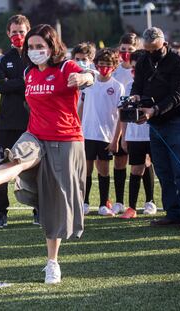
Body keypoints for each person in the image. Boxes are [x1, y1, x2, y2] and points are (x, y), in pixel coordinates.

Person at [0, 24, 94, 283]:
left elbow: (89, 75)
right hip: (35, 134)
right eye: (32, 47)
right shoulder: (28, 72)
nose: (36, 51)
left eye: (41, 46)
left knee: (54, 206)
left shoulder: (65, 67)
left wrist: (83, 78)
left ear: (52, 47)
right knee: (18, 156)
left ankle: (53, 263)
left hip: (65, 140)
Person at [131, 27, 180, 230]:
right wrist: (135, 97)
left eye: (155, 49)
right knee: (163, 171)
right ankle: (173, 213)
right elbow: (138, 84)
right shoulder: (144, 59)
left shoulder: (179, 60)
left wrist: (155, 110)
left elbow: (179, 94)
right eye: (147, 49)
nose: (151, 53)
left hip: (179, 120)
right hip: (156, 124)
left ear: (164, 43)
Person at [0, 15, 35, 229]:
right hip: (7, 124)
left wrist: (13, 83)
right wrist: (24, 82)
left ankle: (39, 210)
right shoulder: (0, 60)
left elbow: (16, 84)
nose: (18, 35)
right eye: (14, 32)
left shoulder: (36, 57)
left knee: (35, 168)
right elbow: (0, 86)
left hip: (33, 123)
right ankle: (0, 213)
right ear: (8, 34)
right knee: (1, 167)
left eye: (22, 31)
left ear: (28, 32)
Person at [78, 48, 124, 217]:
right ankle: (84, 203)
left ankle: (103, 205)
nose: (104, 67)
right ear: (95, 65)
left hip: (106, 135)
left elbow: (120, 115)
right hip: (86, 133)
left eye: (108, 65)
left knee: (103, 170)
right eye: (101, 64)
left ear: (114, 66)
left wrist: (116, 139)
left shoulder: (117, 87)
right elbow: (81, 107)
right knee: (86, 170)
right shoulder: (88, 83)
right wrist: (77, 128)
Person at [120, 50, 157, 219]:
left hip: (153, 134)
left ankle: (151, 201)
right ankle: (132, 208)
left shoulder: (156, 86)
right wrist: (124, 136)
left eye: (138, 68)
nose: (134, 72)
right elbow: (124, 115)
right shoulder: (129, 87)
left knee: (151, 165)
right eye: (133, 68)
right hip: (134, 136)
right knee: (136, 169)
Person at [111, 33, 141, 215]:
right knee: (119, 162)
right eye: (123, 49)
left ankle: (147, 201)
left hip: (138, 125)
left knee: (142, 163)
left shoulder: (141, 70)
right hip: (117, 123)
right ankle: (119, 201)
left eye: (130, 50)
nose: (126, 53)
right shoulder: (115, 70)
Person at [71, 42, 96, 215]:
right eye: (77, 59)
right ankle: (79, 202)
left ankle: (99, 201)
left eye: (84, 59)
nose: (80, 62)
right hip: (72, 129)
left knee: (93, 167)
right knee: (76, 169)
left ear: (91, 59)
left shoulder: (93, 76)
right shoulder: (69, 76)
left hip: (91, 130)